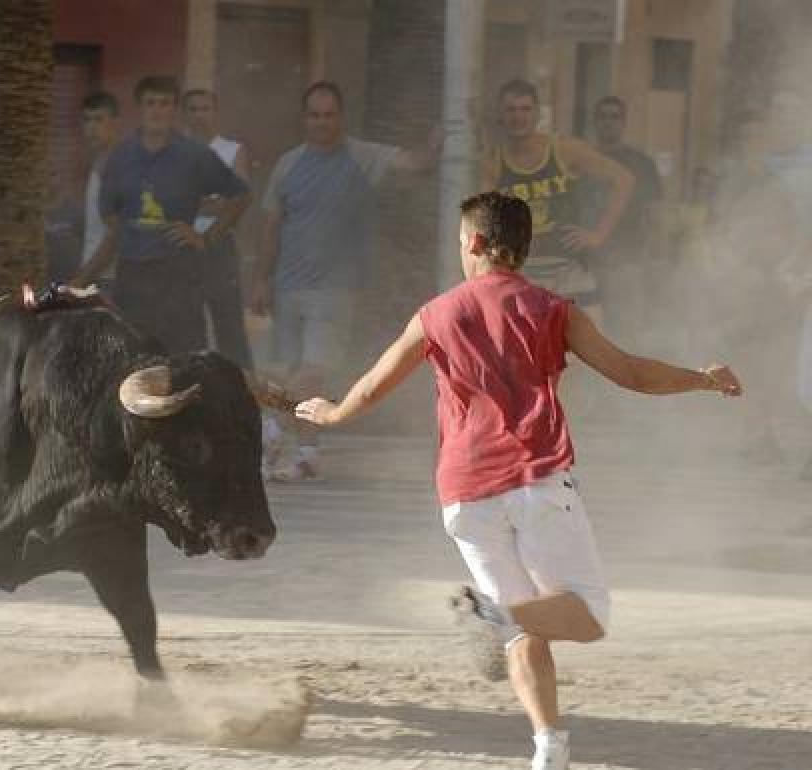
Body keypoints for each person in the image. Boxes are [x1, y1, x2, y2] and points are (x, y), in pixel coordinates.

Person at [294, 191, 741, 770]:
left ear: (476, 243)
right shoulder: (555, 309)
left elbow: (372, 388)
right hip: (535, 482)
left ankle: (548, 747)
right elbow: (630, 373)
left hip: (464, 496)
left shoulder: (435, 313)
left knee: (526, 621)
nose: (460, 250)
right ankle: (493, 616)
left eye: (460, 241)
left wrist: (329, 414)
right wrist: (703, 380)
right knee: (586, 614)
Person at [251, 81, 436, 482]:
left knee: (314, 372)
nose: (321, 123)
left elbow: (416, 163)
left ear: (341, 117)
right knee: (285, 371)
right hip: (287, 287)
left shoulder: (363, 157)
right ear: (304, 119)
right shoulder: (289, 164)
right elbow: (271, 226)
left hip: (335, 291)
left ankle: (274, 429)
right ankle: (307, 452)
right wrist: (261, 280)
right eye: (314, 115)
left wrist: (447, 133)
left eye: (329, 115)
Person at [73, 75, 250, 355]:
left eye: (165, 103)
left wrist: (206, 237)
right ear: (140, 109)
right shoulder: (121, 156)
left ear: (175, 109)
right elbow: (111, 218)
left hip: (177, 273)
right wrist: (128, 237)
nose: (157, 110)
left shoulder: (194, 155)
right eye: (150, 103)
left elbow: (240, 195)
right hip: (132, 275)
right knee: (131, 358)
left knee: (186, 360)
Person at [484, 79, 633, 321]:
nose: (518, 117)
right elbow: (483, 218)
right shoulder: (492, 161)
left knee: (588, 352)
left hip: (569, 269)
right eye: (511, 110)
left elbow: (623, 179)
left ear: (537, 113)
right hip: (522, 273)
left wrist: (598, 235)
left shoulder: (563, 149)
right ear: (500, 115)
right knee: (527, 355)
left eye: (525, 109)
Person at [182, 87, 254, 369]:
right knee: (188, 323)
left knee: (229, 327)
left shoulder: (232, 150)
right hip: (182, 246)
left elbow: (239, 198)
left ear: (216, 113)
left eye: (205, 109)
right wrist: (210, 200)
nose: (199, 115)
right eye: (193, 109)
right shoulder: (177, 150)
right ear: (184, 114)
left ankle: (248, 394)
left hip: (218, 245)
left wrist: (200, 203)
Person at [589, 96, 663, 344]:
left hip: (628, 261)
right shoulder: (582, 160)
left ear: (624, 122)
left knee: (627, 333)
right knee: (591, 335)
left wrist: (652, 257)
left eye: (615, 116)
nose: (608, 122)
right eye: (603, 116)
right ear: (595, 122)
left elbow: (654, 213)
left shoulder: (641, 164)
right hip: (588, 263)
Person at [78, 91, 121, 292]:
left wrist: (81, 280)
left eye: (99, 119)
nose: (92, 127)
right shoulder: (100, 162)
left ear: (115, 122)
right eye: (87, 120)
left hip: (108, 278)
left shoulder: (113, 165)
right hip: (98, 276)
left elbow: (116, 232)